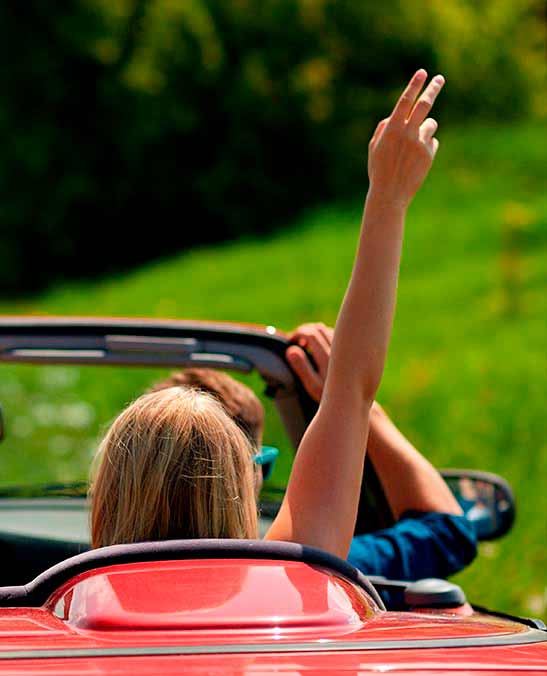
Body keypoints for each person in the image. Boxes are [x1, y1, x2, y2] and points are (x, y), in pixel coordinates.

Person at [91, 70, 446, 560]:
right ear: (241, 486)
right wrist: (388, 195)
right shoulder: (288, 576)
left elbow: (352, 390)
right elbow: (351, 389)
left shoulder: (62, 600)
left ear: (106, 499)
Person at [148, 356, 477, 580]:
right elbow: (447, 534)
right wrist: (362, 406)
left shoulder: (111, 588)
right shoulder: (302, 569)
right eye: (264, 465)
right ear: (249, 474)